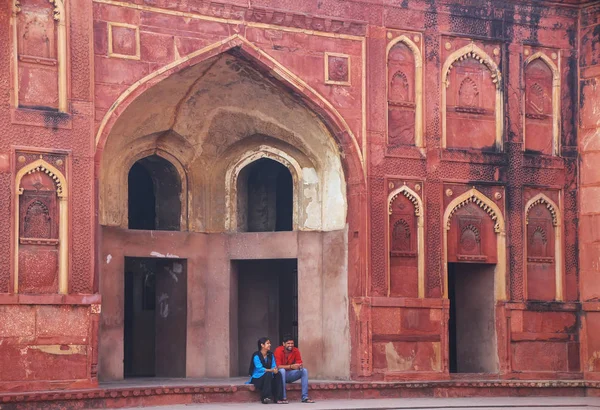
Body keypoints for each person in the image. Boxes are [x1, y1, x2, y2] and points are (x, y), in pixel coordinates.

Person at [274, 334, 315, 403]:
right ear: (284, 344)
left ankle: (305, 397)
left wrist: (299, 366)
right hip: (279, 376)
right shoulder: (278, 350)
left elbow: (299, 362)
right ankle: (283, 397)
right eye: (288, 343)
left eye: (292, 343)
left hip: (290, 374)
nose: (290, 345)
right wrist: (291, 366)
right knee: (282, 370)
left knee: (304, 370)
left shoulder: (296, 350)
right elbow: (278, 366)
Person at [248, 337, 286, 404]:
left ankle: (278, 398)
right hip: (257, 377)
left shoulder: (271, 354)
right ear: (262, 345)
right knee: (268, 374)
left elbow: (274, 365)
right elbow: (259, 369)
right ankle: (265, 397)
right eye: (267, 343)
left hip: (268, 376)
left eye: (269, 343)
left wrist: (275, 370)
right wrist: (271, 370)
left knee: (278, 374)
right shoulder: (256, 355)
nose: (270, 345)